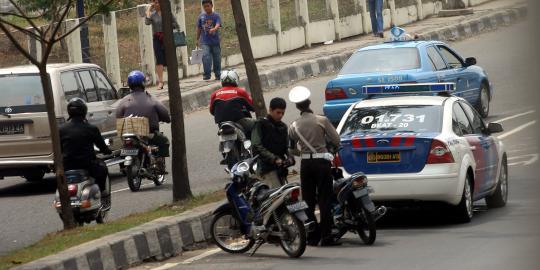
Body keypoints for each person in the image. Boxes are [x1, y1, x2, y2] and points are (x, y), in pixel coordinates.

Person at [288, 86, 341, 247]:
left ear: (297, 107)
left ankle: (312, 236)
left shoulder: (293, 126)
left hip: (306, 164)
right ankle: (326, 236)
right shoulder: (322, 120)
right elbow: (336, 140)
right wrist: (329, 150)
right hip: (322, 163)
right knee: (324, 199)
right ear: (309, 102)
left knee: (308, 200)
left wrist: (302, 153)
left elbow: (290, 149)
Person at [60, 98, 112, 209]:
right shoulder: (91, 128)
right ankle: (104, 195)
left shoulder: (61, 129)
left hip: (67, 166)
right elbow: (102, 147)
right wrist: (107, 151)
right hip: (88, 165)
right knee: (103, 169)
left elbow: (58, 149)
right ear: (84, 111)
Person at [116, 70, 171, 172]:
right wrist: (167, 119)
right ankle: (159, 162)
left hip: (129, 135)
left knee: (122, 147)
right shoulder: (150, 98)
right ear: (143, 83)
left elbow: (118, 116)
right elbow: (164, 114)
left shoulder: (124, 101)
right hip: (148, 135)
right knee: (164, 141)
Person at [251, 98, 293, 188]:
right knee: (276, 197)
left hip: (281, 168)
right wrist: (274, 158)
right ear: (270, 110)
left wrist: (290, 157)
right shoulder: (260, 124)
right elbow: (256, 145)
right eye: (278, 112)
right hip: (266, 169)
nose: (281, 115)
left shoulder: (283, 127)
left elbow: (286, 146)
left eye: (283, 113)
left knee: (287, 195)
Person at [145, 0, 180, 90]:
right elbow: (147, 22)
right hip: (157, 39)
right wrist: (148, 10)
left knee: (170, 59)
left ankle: (172, 80)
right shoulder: (153, 15)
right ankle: (160, 82)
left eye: (158, 2)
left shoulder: (168, 13)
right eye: (155, 3)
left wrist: (168, 26)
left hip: (167, 38)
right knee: (159, 59)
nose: (157, 4)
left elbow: (176, 25)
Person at [196, 0, 222, 81]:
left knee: (217, 58)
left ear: (212, 5)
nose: (206, 8)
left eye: (208, 6)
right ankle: (207, 74)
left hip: (215, 41)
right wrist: (197, 39)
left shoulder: (216, 15)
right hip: (205, 41)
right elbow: (199, 28)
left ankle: (218, 74)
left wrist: (214, 28)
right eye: (204, 6)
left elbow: (218, 24)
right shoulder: (201, 17)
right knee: (206, 57)